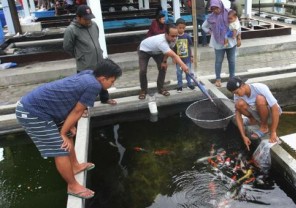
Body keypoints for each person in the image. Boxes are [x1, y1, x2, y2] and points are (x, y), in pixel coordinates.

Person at [15, 59, 122, 199]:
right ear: (103, 78)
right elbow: (78, 111)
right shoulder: (94, 85)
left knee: (69, 135)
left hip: (47, 110)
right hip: (32, 113)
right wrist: (62, 132)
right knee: (60, 148)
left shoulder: (89, 74)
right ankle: (72, 186)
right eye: (112, 81)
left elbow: (72, 99)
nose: (112, 84)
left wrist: (68, 126)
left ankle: (75, 166)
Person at [63, 5, 116, 105]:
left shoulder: (94, 25)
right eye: (86, 19)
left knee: (102, 80)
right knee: (83, 85)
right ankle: (83, 107)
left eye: (90, 18)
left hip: (99, 60)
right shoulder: (71, 30)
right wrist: (79, 56)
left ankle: (105, 99)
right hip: (84, 64)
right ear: (78, 17)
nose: (89, 21)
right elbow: (67, 47)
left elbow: (96, 39)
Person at [226, 77, 282, 150]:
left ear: (242, 85)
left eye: (237, 92)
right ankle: (253, 121)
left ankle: (264, 127)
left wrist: (273, 132)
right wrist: (244, 136)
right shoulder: (237, 95)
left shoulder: (259, 87)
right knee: (238, 104)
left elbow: (275, 109)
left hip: (270, 114)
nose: (237, 95)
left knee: (260, 99)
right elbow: (238, 115)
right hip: (258, 113)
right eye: (234, 93)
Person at [138, 24, 190, 100]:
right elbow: (174, 55)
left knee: (163, 67)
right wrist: (183, 65)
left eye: (176, 35)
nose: (175, 38)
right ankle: (143, 90)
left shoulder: (174, 38)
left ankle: (160, 88)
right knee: (143, 70)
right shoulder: (161, 42)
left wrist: (164, 61)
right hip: (144, 50)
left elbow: (169, 50)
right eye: (172, 36)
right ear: (166, 34)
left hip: (157, 51)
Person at [202, 0, 242, 88]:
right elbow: (203, 26)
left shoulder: (229, 13)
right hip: (218, 43)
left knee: (231, 60)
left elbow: (238, 26)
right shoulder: (211, 17)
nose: (215, 10)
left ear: (220, 6)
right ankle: (218, 79)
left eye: (217, 8)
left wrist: (239, 38)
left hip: (231, 41)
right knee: (218, 61)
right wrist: (211, 32)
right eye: (213, 9)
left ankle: (232, 78)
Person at [173, 18, 195, 92]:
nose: (181, 29)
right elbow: (174, 49)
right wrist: (174, 58)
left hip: (187, 59)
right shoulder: (175, 37)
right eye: (180, 28)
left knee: (188, 72)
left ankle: (189, 84)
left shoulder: (187, 36)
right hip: (179, 60)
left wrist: (191, 56)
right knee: (179, 73)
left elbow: (189, 47)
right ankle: (180, 86)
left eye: (183, 28)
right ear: (176, 27)